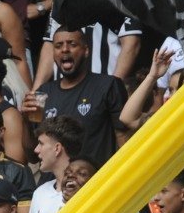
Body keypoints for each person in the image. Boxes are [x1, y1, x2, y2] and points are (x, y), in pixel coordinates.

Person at [23, 27, 126, 164]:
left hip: (95, 181)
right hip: (53, 183)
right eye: (58, 46)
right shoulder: (43, 93)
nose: (65, 49)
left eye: (72, 44)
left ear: (86, 50)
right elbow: (33, 157)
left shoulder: (108, 86)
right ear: (53, 53)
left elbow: (124, 140)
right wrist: (24, 121)